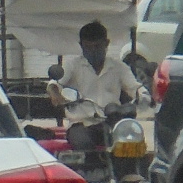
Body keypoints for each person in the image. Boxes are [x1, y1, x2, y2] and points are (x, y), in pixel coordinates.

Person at [49, 21, 140, 155]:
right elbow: (54, 84)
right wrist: (55, 94)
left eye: (97, 46)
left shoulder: (119, 67)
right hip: (80, 124)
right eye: (88, 47)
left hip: (111, 122)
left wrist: (144, 96)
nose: (93, 51)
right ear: (81, 45)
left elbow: (135, 87)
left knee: (132, 143)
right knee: (84, 144)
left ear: (106, 44)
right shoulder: (72, 66)